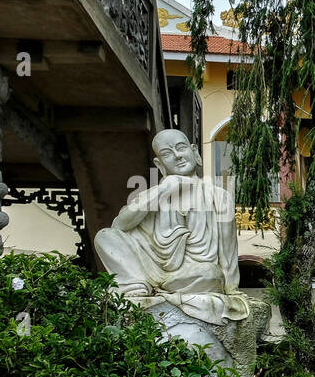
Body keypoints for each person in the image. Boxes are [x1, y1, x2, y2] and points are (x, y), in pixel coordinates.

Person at [94, 129, 249, 327]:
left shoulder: (218, 197)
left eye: (181, 148)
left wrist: (231, 289)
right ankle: (138, 284)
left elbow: (227, 254)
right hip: (151, 269)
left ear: (195, 152)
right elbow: (120, 226)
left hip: (195, 273)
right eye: (167, 153)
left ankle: (152, 286)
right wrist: (165, 189)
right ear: (159, 164)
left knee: (211, 273)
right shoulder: (154, 194)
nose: (177, 156)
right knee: (104, 236)